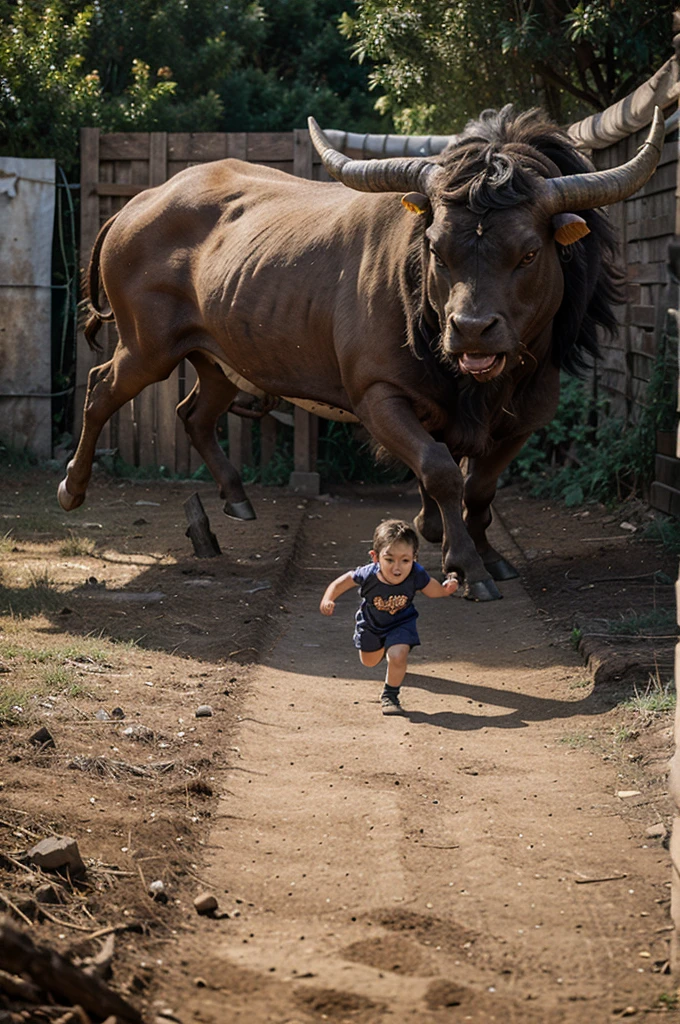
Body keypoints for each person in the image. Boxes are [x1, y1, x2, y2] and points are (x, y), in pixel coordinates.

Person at [319, 518, 458, 715]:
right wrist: (328, 598)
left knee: (398, 655)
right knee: (369, 661)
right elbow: (340, 583)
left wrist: (446, 589)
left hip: (402, 623)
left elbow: (432, 589)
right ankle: (386, 647)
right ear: (375, 557)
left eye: (405, 560)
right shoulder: (367, 574)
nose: (397, 568)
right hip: (371, 624)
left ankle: (390, 695)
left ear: (414, 558)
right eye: (389, 559)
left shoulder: (416, 574)